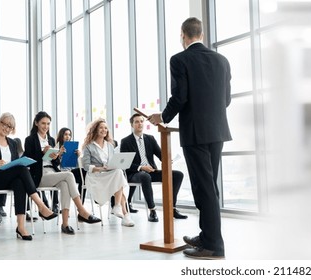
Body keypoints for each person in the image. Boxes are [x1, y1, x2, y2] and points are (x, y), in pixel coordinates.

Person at [147, 17, 231, 260]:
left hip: (195, 131)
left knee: (203, 188)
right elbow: (226, 100)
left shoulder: (179, 59)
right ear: (201, 34)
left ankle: (213, 246)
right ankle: (207, 236)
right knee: (209, 186)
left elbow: (180, 97)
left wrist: (162, 116)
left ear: (183, 35)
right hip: (217, 131)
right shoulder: (222, 60)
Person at [0, 113, 57, 241]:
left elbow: (15, 164)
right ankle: (41, 206)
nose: (6, 128)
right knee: (21, 170)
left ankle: (21, 227)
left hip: (8, 177)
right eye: (4, 124)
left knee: (19, 182)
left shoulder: (13, 143)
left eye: (10, 126)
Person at [23, 111, 101, 235]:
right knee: (69, 175)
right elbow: (28, 160)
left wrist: (57, 156)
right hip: (40, 175)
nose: (46, 126)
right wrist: (42, 152)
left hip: (53, 172)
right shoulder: (30, 140)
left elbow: (56, 163)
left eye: (48, 124)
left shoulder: (51, 139)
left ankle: (65, 224)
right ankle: (81, 210)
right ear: (36, 123)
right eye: (43, 123)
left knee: (65, 184)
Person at [120, 113, 187, 222]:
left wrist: (167, 159)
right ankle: (152, 210)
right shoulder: (126, 141)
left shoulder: (150, 139)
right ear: (132, 125)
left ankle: (172, 208)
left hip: (151, 171)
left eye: (142, 121)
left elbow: (161, 155)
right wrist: (141, 167)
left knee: (178, 175)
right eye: (136, 122)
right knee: (145, 176)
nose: (140, 124)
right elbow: (125, 164)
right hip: (135, 173)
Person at [81, 118, 134, 227]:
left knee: (118, 173)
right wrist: (100, 168)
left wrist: (113, 165)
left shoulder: (110, 145)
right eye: (101, 127)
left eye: (105, 128)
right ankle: (124, 213)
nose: (104, 130)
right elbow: (86, 166)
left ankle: (120, 208)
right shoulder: (89, 147)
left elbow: (112, 161)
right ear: (95, 130)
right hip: (96, 176)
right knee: (120, 179)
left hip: (110, 173)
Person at [56, 127, 87, 199]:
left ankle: (80, 202)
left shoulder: (72, 147)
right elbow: (54, 163)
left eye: (69, 135)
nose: (68, 137)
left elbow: (76, 165)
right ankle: (78, 202)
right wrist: (59, 154)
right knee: (82, 174)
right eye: (65, 134)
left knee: (84, 176)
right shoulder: (56, 147)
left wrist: (78, 156)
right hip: (62, 172)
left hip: (71, 171)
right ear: (61, 136)